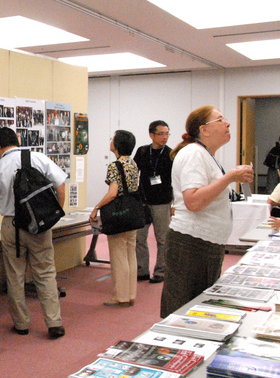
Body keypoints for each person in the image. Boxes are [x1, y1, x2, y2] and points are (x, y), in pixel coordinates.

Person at [0, 126, 66, 338]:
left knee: (15, 276)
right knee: (45, 273)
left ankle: (21, 323)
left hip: (12, 226)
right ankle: (54, 322)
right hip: (39, 224)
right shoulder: (38, 158)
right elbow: (61, 186)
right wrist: (53, 217)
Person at [160, 106, 253, 318]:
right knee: (182, 310)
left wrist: (230, 178)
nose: (228, 123)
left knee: (199, 309)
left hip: (204, 243)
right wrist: (229, 178)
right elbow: (193, 201)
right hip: (192, 243)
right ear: (205, 129)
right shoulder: (194, 153)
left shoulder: (206, 154)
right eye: (220, 119)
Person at [90, 130, 139, 307]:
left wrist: (97, 207)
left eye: (112, 139)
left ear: (117, 145)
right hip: (132, 212)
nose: (110, 141)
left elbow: (112, 193)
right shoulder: (133, 163)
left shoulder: (115, 165)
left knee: (118, 255)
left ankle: (120, 296)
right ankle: (131, 294)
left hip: (119, 214)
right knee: (130, 253)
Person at [133, 120, 173, 284]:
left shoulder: (170, 154)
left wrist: (174, 203)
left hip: (162, 202)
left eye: (167, 134)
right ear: (152, 135)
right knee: (139, 238)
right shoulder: (142, 151)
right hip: (143, 200)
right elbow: (134, 172)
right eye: (161, 134)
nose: (165, 137)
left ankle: (161, 271)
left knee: (162, 239)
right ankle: (142, 270)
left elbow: (175, 180)